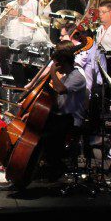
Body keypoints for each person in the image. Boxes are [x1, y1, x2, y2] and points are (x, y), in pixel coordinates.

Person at [41, 44, 88, 180]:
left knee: (46, 135)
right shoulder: (66, 77)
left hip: (72, 119)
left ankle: (57, 167)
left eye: (58, 64)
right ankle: (50, 166)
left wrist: (52, 73)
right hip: (62, 117)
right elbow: (57, 97)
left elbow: (61, 90)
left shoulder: (77, 77)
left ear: (63, 63)